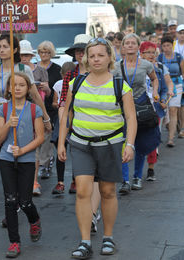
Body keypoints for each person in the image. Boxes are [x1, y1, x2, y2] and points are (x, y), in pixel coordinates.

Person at [58, 37, 137, 259]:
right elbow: (67, 113)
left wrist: (129, 144)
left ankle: (108, 237)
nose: (95, 59)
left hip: (110, 145)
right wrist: (62, 141)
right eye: (91, 55)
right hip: (81, 144)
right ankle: (84, 242)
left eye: (100, 55)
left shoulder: (120, 85)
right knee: (82, 191)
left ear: (110, 57)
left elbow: (131, 118)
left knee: (107, 191)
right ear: (85, 59)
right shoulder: (77, 83)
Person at [0, 72, 45, 258]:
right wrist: (9, 123)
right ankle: (14, 242)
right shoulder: (3, 109)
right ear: (8, 88)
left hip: (26, 159)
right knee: (10, 200)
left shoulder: (34, 110)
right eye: (13, 84)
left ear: (27, 88)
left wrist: (23, 151)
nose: (17, 88)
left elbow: (39, 137)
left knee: (25, 202)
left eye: (21, 85)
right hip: (6, 159)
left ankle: (34, 220)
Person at [112, 33, 160, 193]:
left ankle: (137, 177)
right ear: (123, 46)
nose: (130, 45)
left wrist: (155, 92)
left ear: (138, 46)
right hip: (122, 108)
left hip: (140, 106)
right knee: (124, 143)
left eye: (133, 43)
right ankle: (125, 180)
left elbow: (154, 79)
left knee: (139, 144)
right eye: (127, 43)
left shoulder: (146, 65)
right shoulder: (116, 66)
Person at [60, 34, 93, 193]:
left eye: (84, 50)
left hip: (96, 123)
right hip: (75, 123)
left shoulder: (99, 73)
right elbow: (64, 105)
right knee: (76, 154)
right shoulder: (70, 75)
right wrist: (64, 125)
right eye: (77, 51)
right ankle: (76, 179)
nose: (80, 54)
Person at [19, 39, 50, 195]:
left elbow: (46, 92)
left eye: (26, 55)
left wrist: (45, 116)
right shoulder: (16, 69)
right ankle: (22, 182)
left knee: (35, 146)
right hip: (18, 111)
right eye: (21, 55)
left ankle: (34, 181)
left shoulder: (39, 70)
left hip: (35, 110)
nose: (24, 58)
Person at [139, 41, 171, 181]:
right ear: (141, 54)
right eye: (148, 52)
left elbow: (164, 90)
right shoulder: (136, 70)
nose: (152, 55)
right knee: (138, 142)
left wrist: (163, 100)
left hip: (155, 111)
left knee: (152, 141)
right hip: (138, 111)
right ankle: (136, 174)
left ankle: (151, 169)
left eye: (154, 52)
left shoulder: (158, 70)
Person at [158, 35, 184, 147]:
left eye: (168, 45)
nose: (166, 48)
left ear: (172, 45)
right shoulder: (159, 58)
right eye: (164, 46)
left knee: (173, 110)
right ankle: (171, 129)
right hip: (163, 87)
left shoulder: (178, 57)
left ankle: (170, 138)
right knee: (164, 111)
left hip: (177, 85)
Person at [36, 41, 62, 180]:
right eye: (41, 52)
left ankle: (44, 164)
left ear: (51, 53)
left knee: (47, 136)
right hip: (35, 106)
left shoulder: (57, 69)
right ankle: (39, 162)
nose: (44, 54)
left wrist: (48, 90)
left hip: (49, 108)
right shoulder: (34, 68)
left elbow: (59, 90)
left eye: (47, 52)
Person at [51, 61, 76, 194]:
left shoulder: (74, 83)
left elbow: (54, 102)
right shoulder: (58, 85)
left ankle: (66, 182)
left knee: (67, 151)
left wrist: (60, 104)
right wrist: (60, 104)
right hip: (64, 117)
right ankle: (67, 181)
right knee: (68, 150)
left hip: (70, 118)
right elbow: (55, 102)